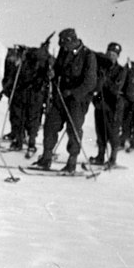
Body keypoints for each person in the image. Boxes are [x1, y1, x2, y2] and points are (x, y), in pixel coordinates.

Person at [31, 28, 97, 173]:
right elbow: (59, 70)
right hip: (60, 96)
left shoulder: (88, 56)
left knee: (73, 129)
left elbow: (90, 82)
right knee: (50, 125)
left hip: (78, 100)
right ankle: (46, 158)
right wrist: (53, 73)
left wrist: (73, 93)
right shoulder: (64, 51)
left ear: (72, 41)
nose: (64, 48)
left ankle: (72, 161)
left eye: (65, 45)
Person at [90, 42, 127, 167]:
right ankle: (100, 156)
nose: (111, 56)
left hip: (113, 105)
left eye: (114, 54)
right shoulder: (101, 67)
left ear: (118, 57)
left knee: (112, 132)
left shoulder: (121, 71)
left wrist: (104, 80)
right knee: (100, 131)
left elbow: (116, 88)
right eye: (109, 53)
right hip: (100, 103)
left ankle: (113, 158)